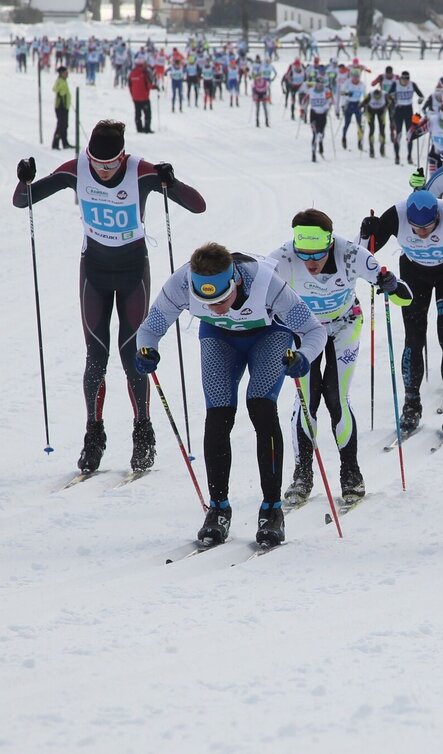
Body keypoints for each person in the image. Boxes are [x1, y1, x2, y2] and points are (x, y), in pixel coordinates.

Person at [13, 120, 206, 475]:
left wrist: (170, 181)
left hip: (134, 272)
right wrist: (24, 178)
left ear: (122, 156)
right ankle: (93, 435)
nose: (102, 171)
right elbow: (22, 201)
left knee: (132, 355)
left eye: (110, 163)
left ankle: (143, 431)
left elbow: (198, 206)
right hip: (95, 273)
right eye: (96, 163)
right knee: (95, 356)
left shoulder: (141, 172)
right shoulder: (77, 170)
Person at [135, 243, 326, 546]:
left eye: (222, 299)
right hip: (219, 338)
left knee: (261, 408)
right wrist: (147, 350)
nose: (215, 307)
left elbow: (315, 331)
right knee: (218, 414)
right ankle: (218, 508)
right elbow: (151, 327)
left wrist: (303, 357)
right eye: (206, 302)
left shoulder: (266, 283)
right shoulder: (182, 282)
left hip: (269, 336)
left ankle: (272, 510)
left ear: (236, 281)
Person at [269, 210, 411, 506]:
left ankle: (351, 473)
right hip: (304, 329)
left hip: (344, 324)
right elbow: (255, 289)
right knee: (307, 399)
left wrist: (391, 286)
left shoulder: (350, 254)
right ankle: (302, 474)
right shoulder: (281, 257)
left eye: (317, 254)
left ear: (330, 243)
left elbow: (404, 296)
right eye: (303, 254)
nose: (310, 263)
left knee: (336, 397)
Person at [360, 191, 443, 437]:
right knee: (413, 340)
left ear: (437, 218)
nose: (422, 233)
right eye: (416, 228)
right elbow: (364, 254)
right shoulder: (396, 214)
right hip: (413, 276)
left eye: (428, 227)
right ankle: (411, 404)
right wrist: (367, 233)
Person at [390, 70, 425, 165]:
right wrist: (392, 97)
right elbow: (388, 94)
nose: (405, 81)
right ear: (400, 78)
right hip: (398, 110)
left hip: (409, 110)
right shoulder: (395, 84)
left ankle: (409, 156)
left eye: (407, 79)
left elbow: (421, 95)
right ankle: (397, 156)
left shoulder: (412, 84)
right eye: (404, 78)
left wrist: (420, 99)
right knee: (398, 134)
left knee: (410, 134)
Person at [128, 57, 155, 133]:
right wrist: (154, 87)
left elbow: (130, 85)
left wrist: (132, 96)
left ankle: (139, 129)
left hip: (135, 98)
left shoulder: (132, 73)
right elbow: (149, 84)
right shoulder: (145, 72)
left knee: (137, 114)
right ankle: (147, 128)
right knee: (147, 114)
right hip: (144, 98)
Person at [51, 66, 72, 150]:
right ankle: (55, 143)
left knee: (65, 125)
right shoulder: (60, 81)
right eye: (66, 73)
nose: (67, 74)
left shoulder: (64, 81)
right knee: (60, 125)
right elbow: (56, 90)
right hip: (60, 107)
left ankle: (65, 142)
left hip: (65, 106)